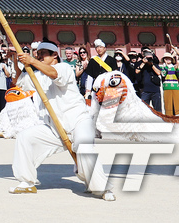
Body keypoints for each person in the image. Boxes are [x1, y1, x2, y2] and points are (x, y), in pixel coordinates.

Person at [8, 41, 114, 201]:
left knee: (84, 148)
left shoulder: (64, 68)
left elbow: (54, 74)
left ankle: (102, 188)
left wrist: (31, 60)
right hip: (55, 127)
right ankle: (27, 181)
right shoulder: (37, 76)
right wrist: (16, 63)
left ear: (55, 55)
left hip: (79, 121)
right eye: (38, 53)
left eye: (43, 53)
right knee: (25, 137)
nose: (39, 56)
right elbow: (18, 83)